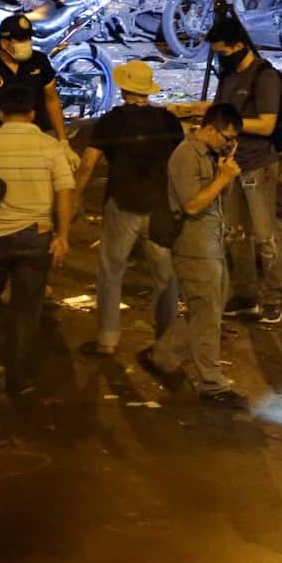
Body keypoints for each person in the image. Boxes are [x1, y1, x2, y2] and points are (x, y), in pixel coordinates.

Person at [0, 84, 74, 394]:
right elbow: (65, 192)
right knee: (27, 308)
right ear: (33, 112)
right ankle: (21, 376)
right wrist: (62, 235)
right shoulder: (49, 145)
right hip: (36, 235)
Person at [139, 103, 247, 408]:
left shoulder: (214, 155)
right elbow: (192, 205)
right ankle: (212, 383)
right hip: (194, 246)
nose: (230, 144)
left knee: (209, 308)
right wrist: (224, 177)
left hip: (211, 242)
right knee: (208, 316)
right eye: (227, 137)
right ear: (210, 129)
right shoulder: (186, 156)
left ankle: (162, 354)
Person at [74, 60, 183, 357]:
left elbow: (88, 164)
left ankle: (107, 340)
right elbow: (180, 164)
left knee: (111, 271)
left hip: (122, 204)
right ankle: (166, 340)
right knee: (165, 275)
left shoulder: (112, 121)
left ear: (123, 88)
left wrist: (75, 198)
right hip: (159, 205)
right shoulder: (168, 121)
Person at [206, 15, 282, 325]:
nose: (220, 58)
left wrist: (232, 127)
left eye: (223, 52)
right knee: (235, 234)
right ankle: (245, 295)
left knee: (265, 235)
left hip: (257, 165)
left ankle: (273, 296)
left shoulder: (264, 77)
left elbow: (267, 124)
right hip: (231, 166)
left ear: (239, 45)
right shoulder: (228, 76)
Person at [0, 13, 81, 170]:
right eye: (20, 40)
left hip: (40, 137)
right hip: (1, 144)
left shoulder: (39, 61)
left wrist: (63, 140)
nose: (26, 44)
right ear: (5, 43)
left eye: (28, 38)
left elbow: (51, 99)